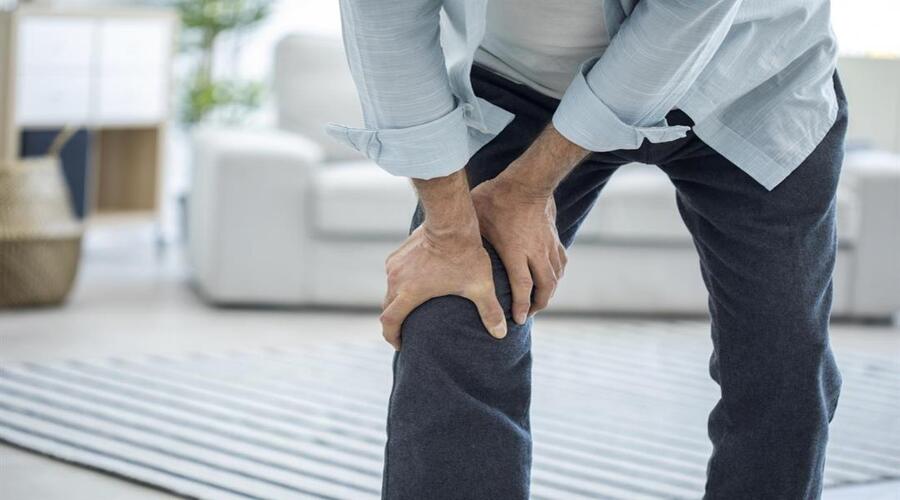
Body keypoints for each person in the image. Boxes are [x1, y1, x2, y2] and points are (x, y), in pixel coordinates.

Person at [326, 1, 846, 498]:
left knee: (782, 356)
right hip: (525, 79)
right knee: (454, 310)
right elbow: (386, 23)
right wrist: (448, 232)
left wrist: (525, 189)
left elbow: (681, 17)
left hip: (748, 75)